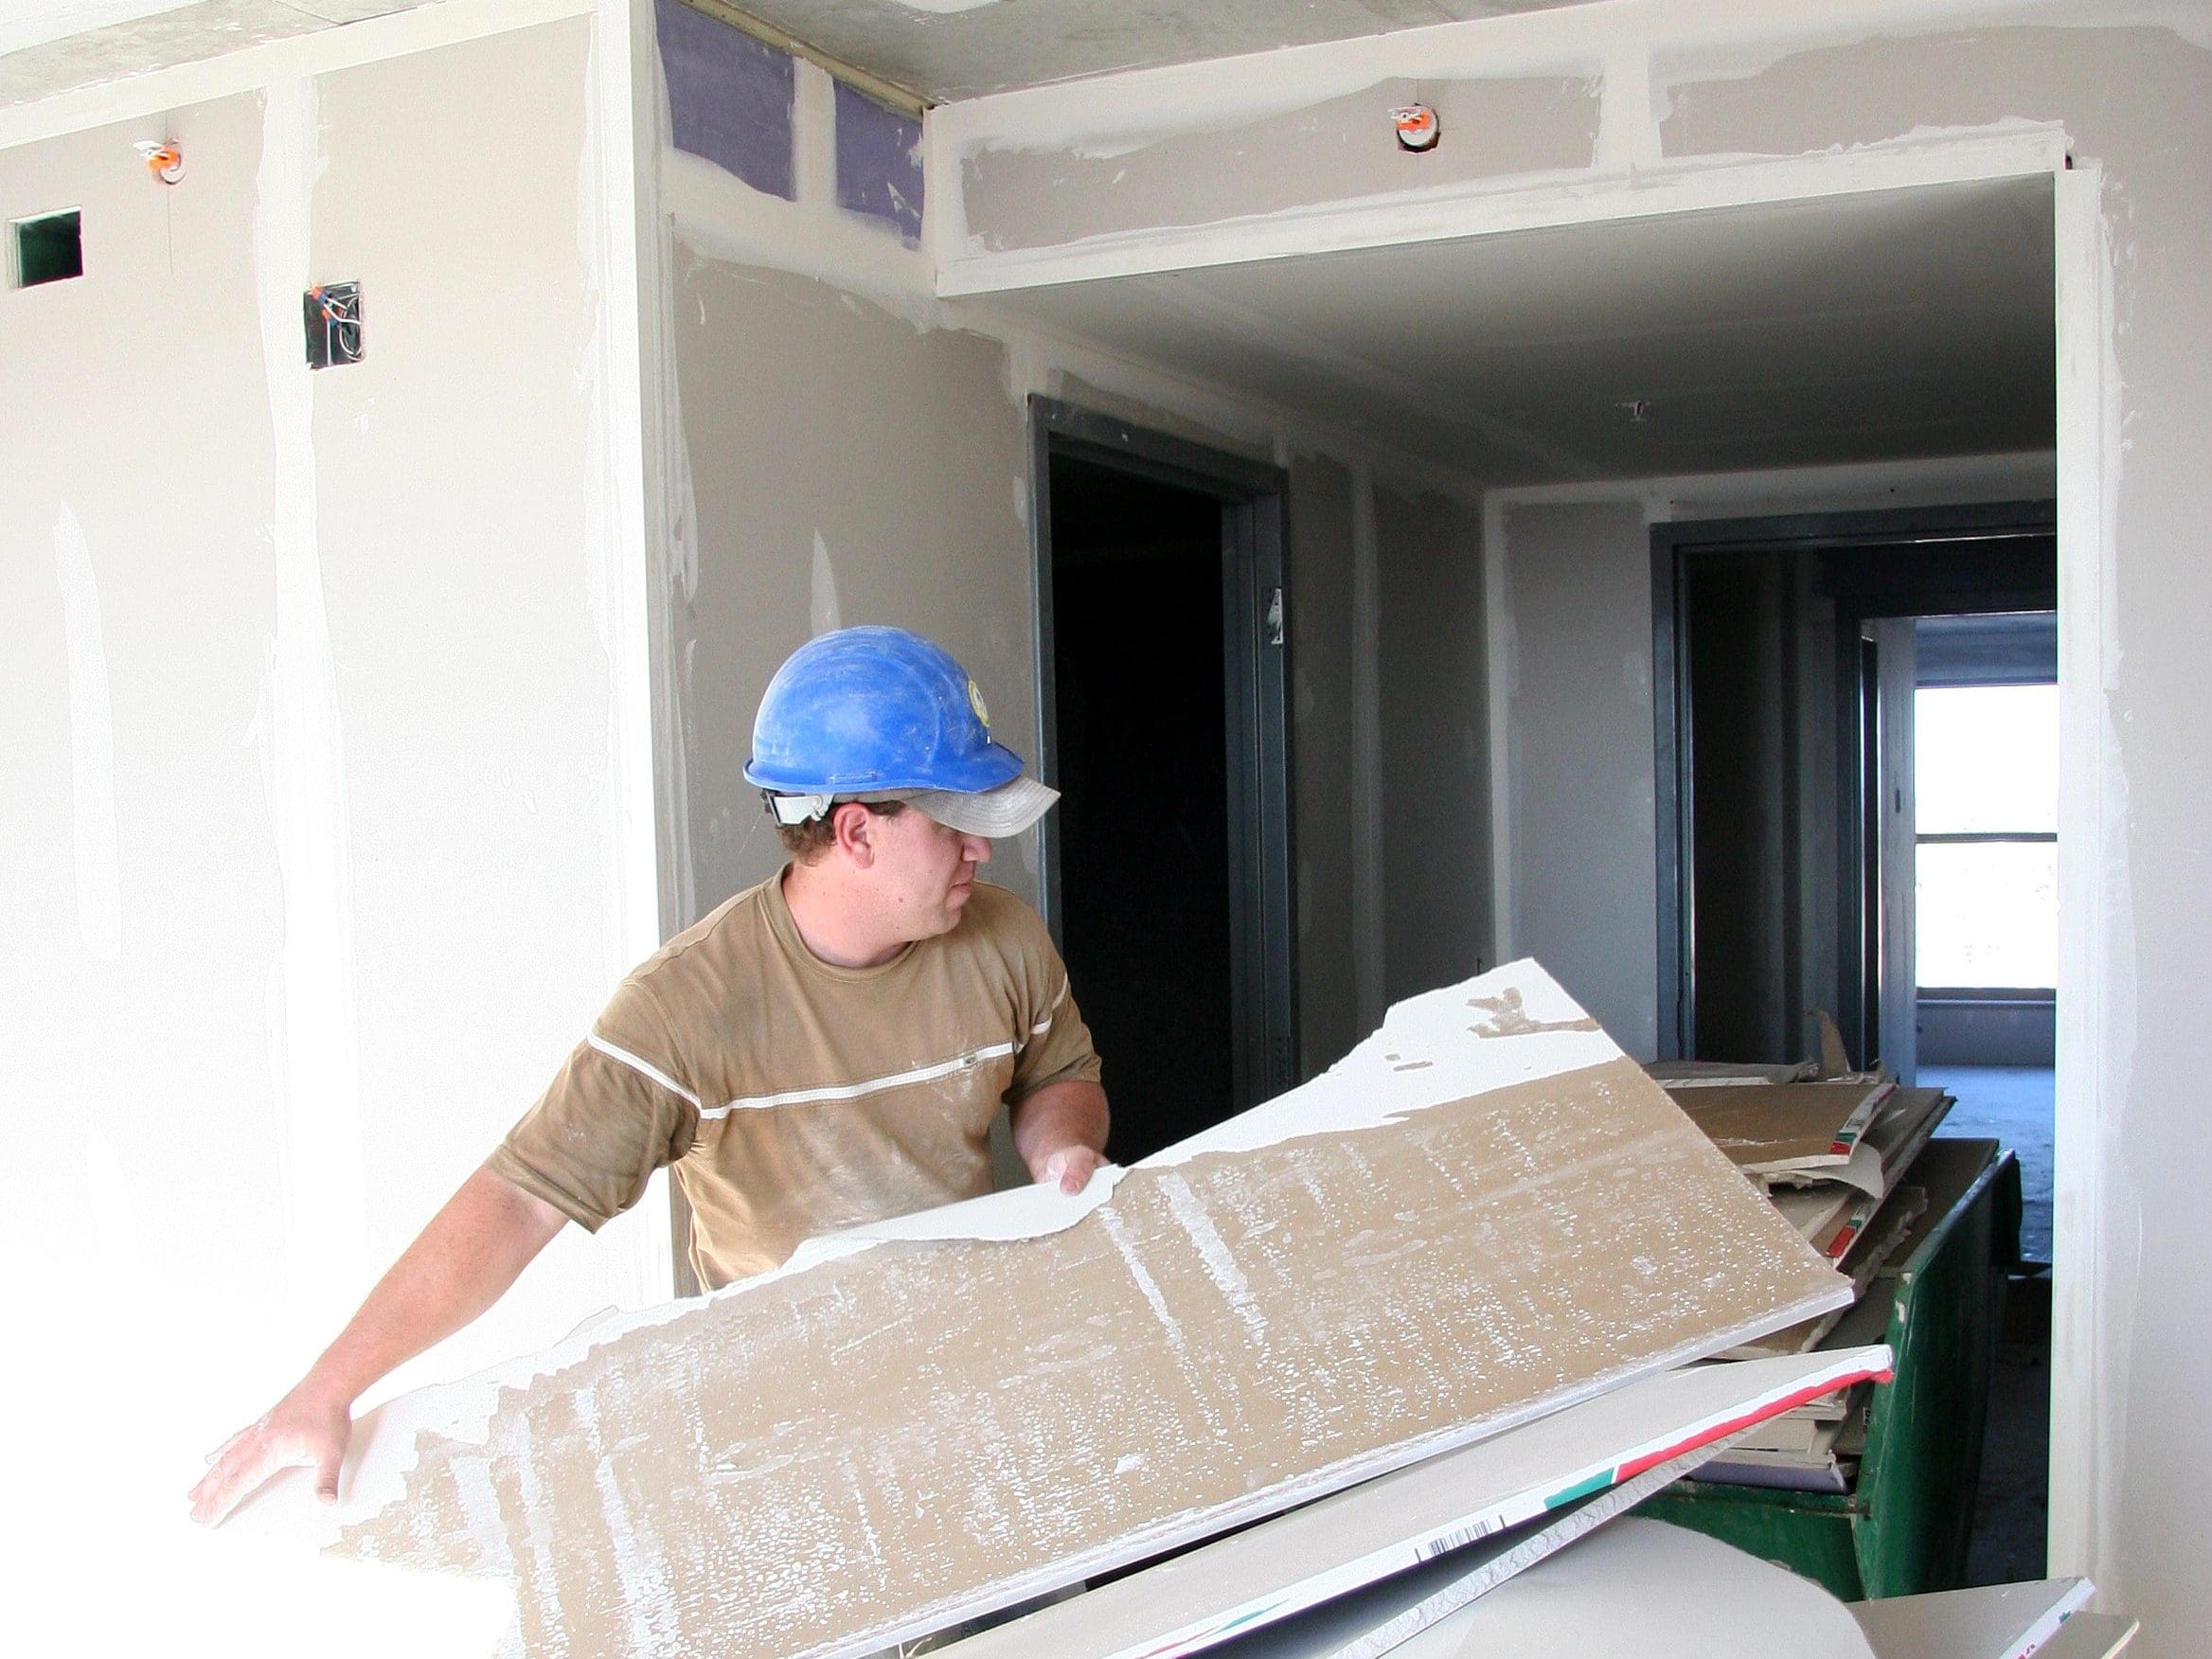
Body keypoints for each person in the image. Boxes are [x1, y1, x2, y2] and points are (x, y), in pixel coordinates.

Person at [189, 625, 1109, 1526]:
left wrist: (1060, 1147)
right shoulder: (689, 1007)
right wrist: (328, 1387)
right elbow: (518, 1201)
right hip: (788, 1426)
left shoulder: (1000, 938)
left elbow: (1055, 1073)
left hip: (974, 1370)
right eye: (954, 822)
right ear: (859, 833)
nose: (980, 850)